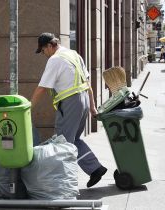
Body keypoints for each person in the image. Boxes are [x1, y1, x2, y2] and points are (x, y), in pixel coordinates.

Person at [31, 32, 107, 188]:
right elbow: (87, 82)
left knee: (63, 142)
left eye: (43, 50)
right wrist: (91, 106)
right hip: (83, 100)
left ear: (50, 46)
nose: (44, 54)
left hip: (71, 103)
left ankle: (63, 183)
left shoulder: (55, 59)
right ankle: (95, 169)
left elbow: (42, 88)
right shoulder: (73, 54)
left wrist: (28, 107)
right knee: (73, 140)